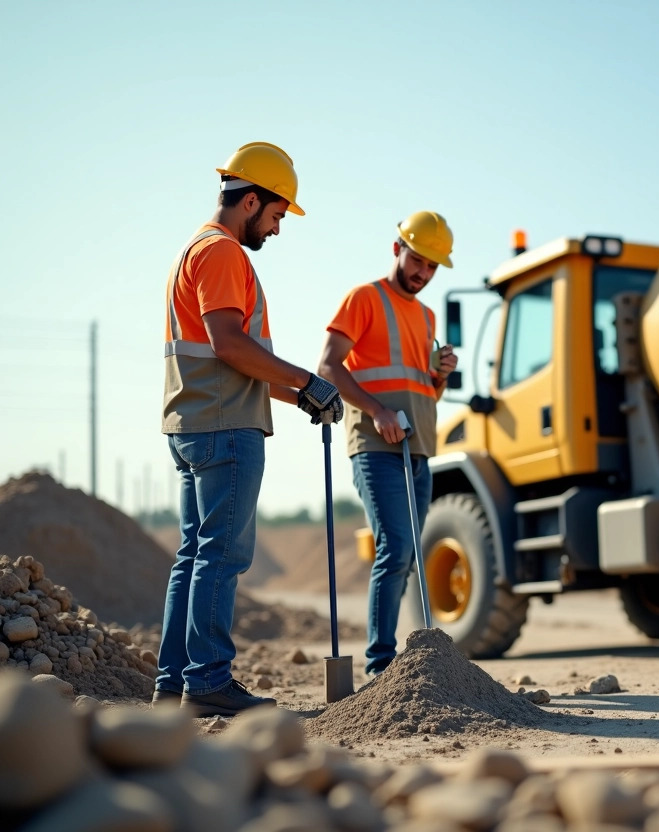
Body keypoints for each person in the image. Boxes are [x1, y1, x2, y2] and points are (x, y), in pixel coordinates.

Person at [158, 142, 344, 716]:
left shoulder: (195, 249)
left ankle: (174, 684)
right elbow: (230, 345)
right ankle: (208, 682)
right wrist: (309, 379)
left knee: (194, 554)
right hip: (224, 429)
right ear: (252, 200)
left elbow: (234, 361)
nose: (278, 229)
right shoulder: (222, 254)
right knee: (221, 556)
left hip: (194, 421)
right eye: (277, 215)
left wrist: (298, 395)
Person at [317, 211, 458, 677]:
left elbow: (423, 390)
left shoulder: (427, 315)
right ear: (397, 249)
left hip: (417, 447)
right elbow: (329, 367)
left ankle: (393, 663)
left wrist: (439, 374)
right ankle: (381, 665)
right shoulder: (365, 298)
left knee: (409, 553)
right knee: (394, 548)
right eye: (419, 260)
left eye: (433, 267)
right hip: (373, 445)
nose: (423, 273)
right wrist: (376, 411)